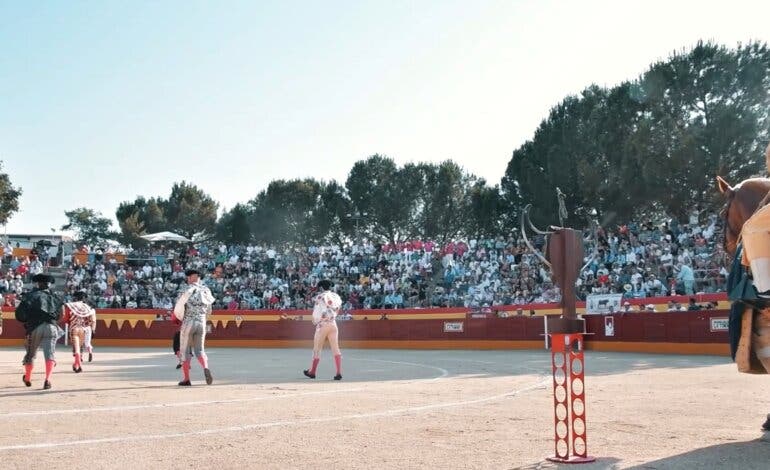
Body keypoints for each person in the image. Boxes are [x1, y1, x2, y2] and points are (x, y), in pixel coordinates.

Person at [14, 273, 63, 390]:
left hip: (35, 327)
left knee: (31, 354)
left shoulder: (30, 295)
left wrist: (27, 321)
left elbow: (19, 314)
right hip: (51, 327)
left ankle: (28, 378)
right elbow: (62, 314)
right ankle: (47, 380)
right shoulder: (56, 297)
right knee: (50, 354)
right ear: (49, 285)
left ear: (38, 283)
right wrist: (54, 321)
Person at [173, 268, 215, 386]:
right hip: (201, 322)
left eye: (188, 277)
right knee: (200, 350)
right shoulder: (206, 290)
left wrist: (180, 318)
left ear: (192, 277)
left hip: (188, 323)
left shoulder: (185, 290)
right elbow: (209, 310)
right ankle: (205, 367)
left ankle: (186, 379)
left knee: (185, 352)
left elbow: (179, 307)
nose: (187, 279)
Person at [303, 279, 343, 380]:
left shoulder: (320, 297)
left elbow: (316, 314)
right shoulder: (336, 297)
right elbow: (337, 309)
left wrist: (316, 321)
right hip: (333, 324)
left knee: (317, 349)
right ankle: (338, 372)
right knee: (335, 348)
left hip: (322, 325)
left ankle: (312, 372)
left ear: (321, 287)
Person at [61, 291, 96, 372]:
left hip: (74, 329)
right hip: (83, 330)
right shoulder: (87, 307)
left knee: (76, 349)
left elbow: (66, 319)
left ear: (75, 298)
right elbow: (90, 321)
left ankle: (79, 365)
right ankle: (76, 364)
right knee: (80, 348)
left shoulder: (71, 306)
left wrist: (71, 322)